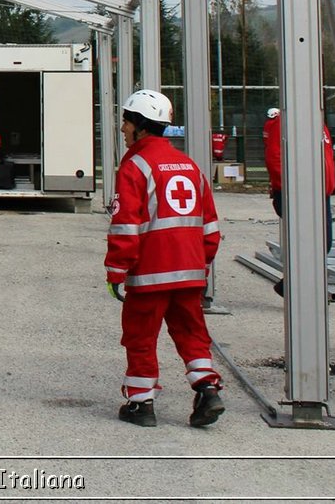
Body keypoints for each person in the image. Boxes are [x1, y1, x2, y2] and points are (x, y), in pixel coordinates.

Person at [105, 89, 223, 429]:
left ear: (140, 125)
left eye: (126, 122)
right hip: (189, 273)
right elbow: (210, 226)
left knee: (140, 335)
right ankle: (207, 388)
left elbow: (126, 225)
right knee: (192, 333)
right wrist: (201, 265)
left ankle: (141, 404)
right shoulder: (190, 166)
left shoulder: (135, 166)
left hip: (150, 274)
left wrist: (116, 271)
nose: (123, 129)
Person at [261, 106, 335, 299]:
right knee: (310, 243)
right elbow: (275, 158)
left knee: (322, 243)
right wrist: (290, 188)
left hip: (319, 194)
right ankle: (301, 290)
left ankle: (294, 286)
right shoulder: (284, 123)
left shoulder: (317, 122)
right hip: (300, 194)